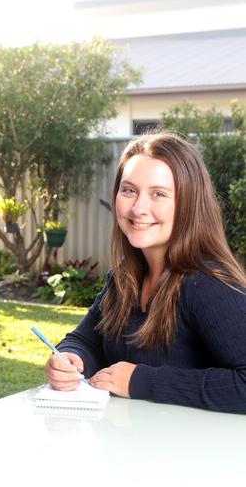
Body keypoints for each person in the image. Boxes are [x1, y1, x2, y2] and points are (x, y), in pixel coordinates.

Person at [45, 132, 246, 414]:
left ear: (188, 204)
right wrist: (70, 357)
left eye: (158, 194)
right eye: (129, 191)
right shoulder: (124, 279)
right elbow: (85, 339)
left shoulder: (206, 283)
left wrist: (142, 380)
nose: (139, 208)